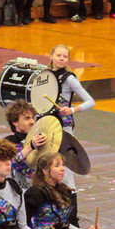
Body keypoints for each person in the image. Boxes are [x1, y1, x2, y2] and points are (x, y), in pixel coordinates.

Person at [44, 43, 94, 189]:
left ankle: (69, 192)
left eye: (65, 57)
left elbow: (90, 102)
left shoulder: (69, 79)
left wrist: (72, 110)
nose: (61, 59)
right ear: (51, 56)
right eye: (58, 55)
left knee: (64, 164)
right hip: (46, 123)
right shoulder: (44, 75)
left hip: (63, 126)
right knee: (45, 160)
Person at [3, 99, 43, 189]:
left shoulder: (40, 140)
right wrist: (31, 147)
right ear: (15, 122)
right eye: (27, 118)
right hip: (17, 192)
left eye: (33, 117)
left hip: (38, 190)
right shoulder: (9, 142)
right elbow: (10, 164)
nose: (32, 122)